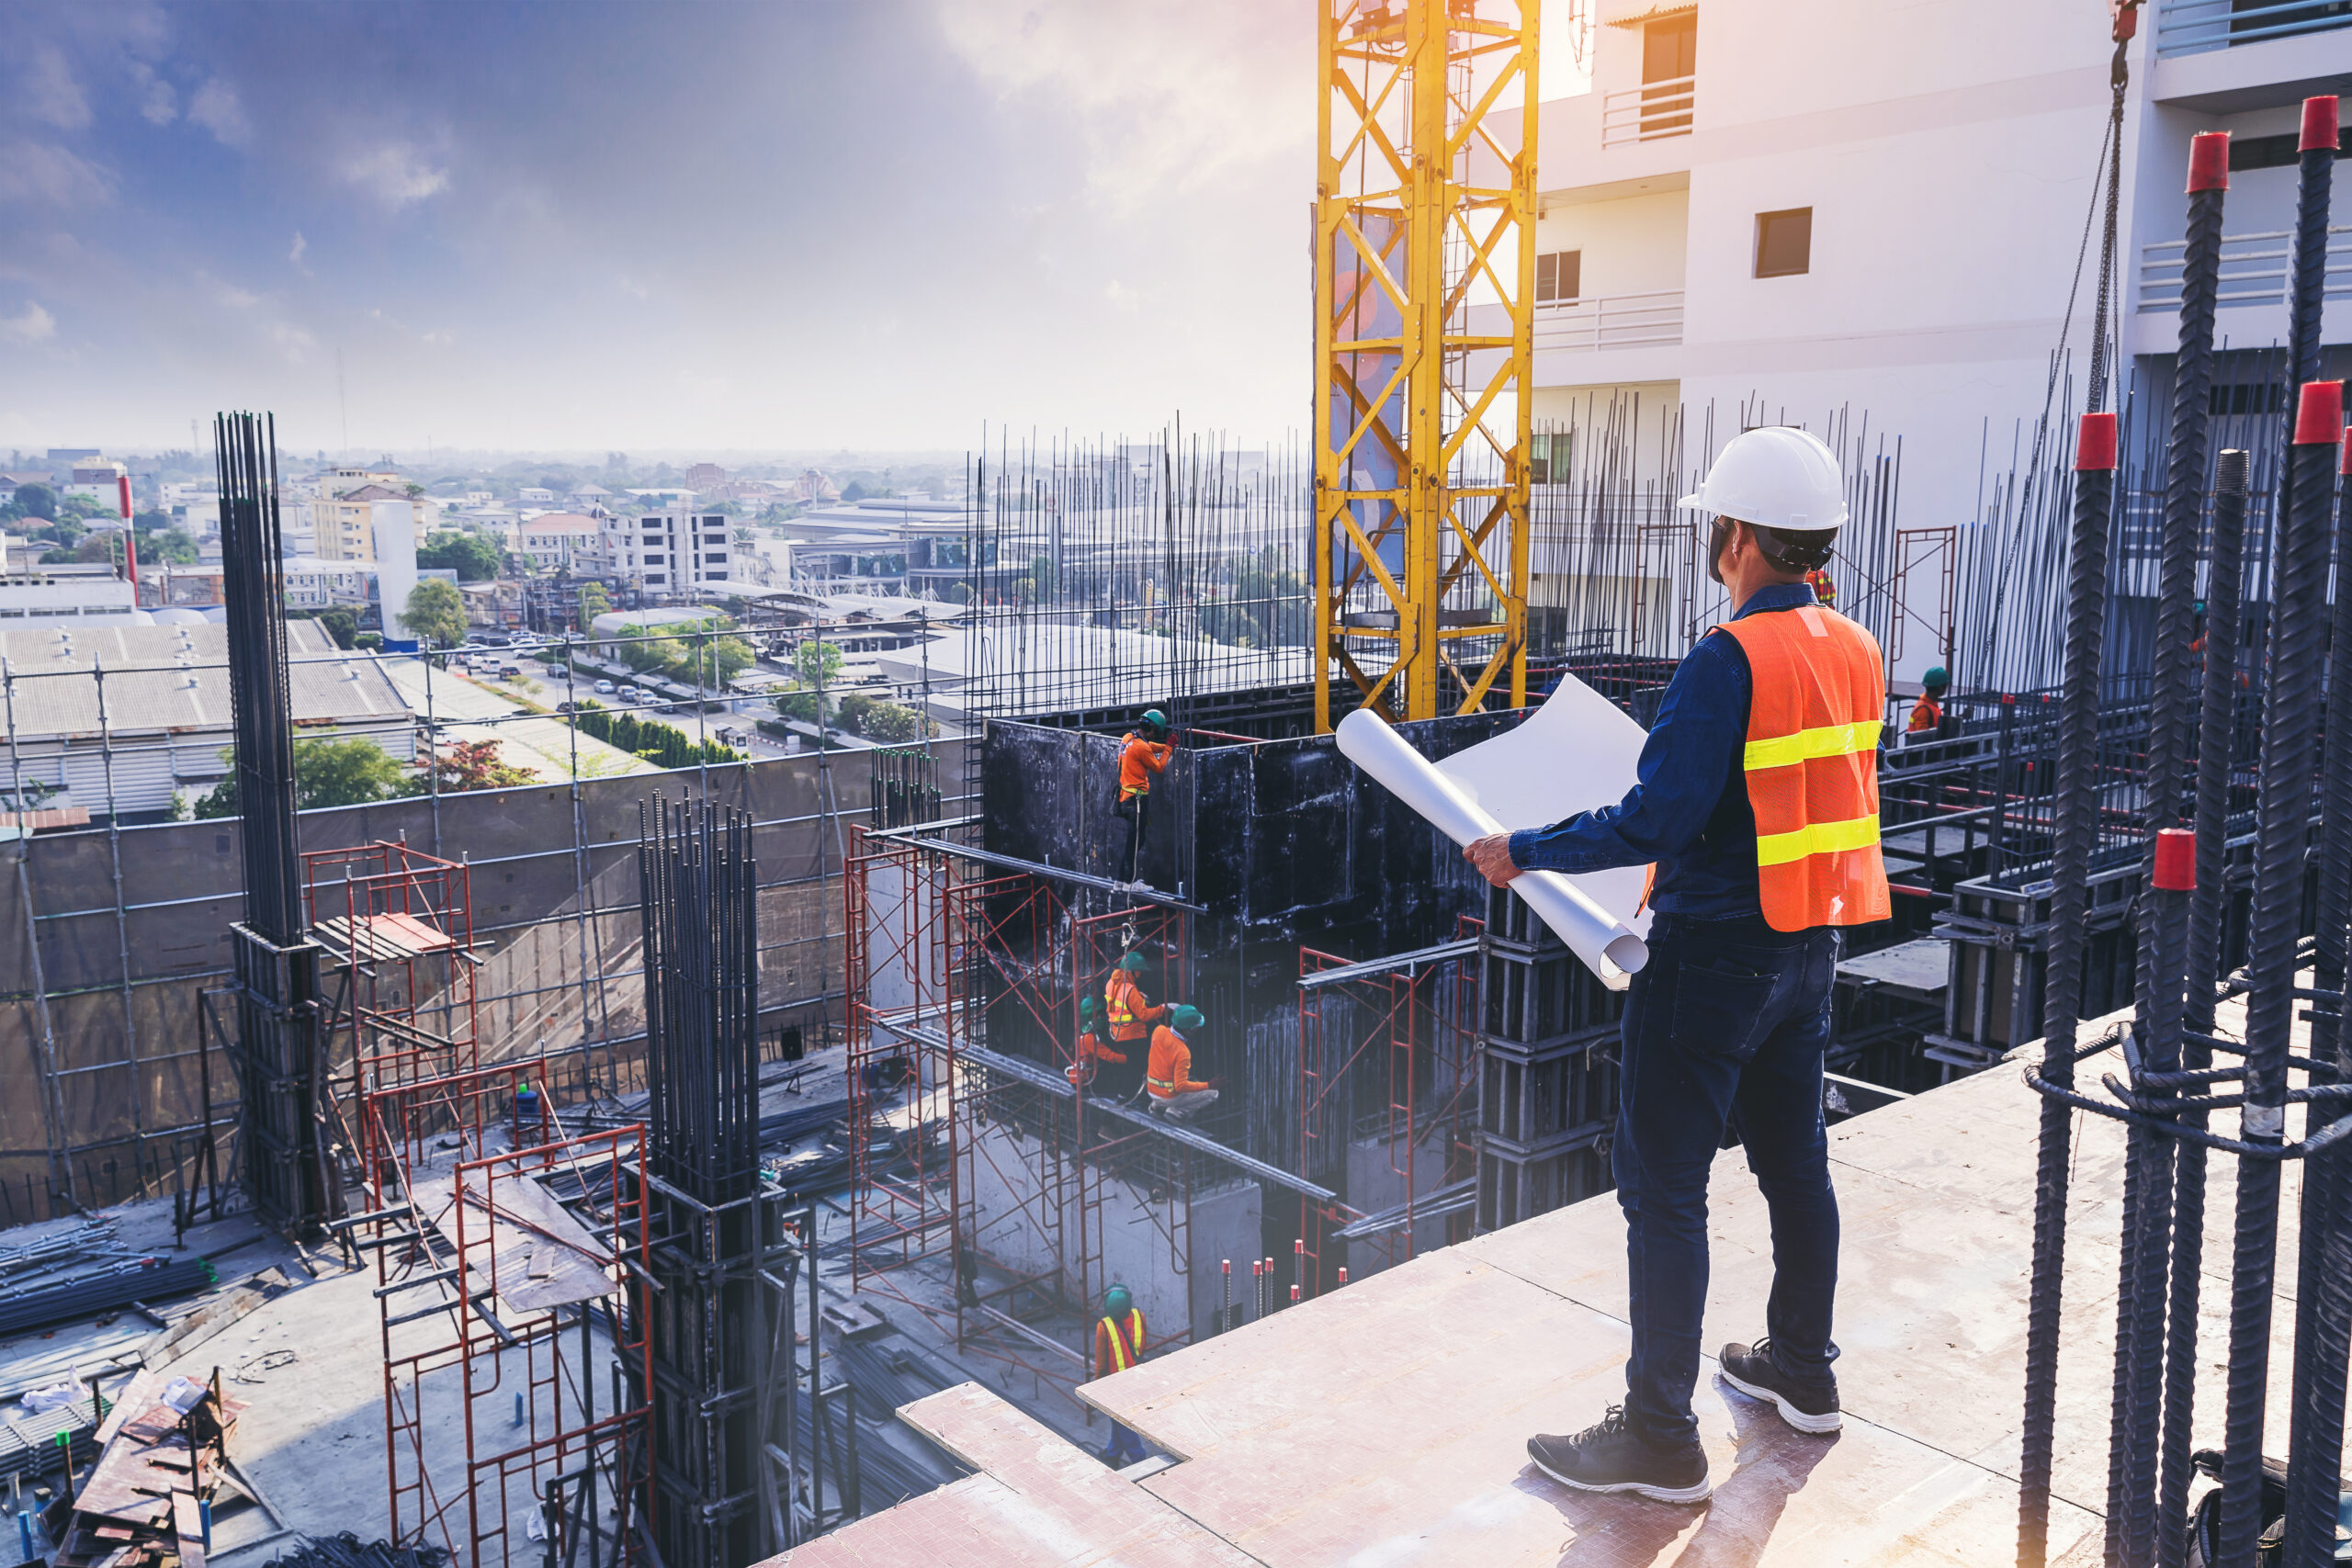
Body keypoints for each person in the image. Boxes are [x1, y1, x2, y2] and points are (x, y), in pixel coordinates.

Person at [1464, 424, 1888, 1505]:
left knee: (1662, 1191)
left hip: (1709, 959)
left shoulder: (1726, 656)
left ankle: (1658, 1436)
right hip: (1808, 949)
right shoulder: (1854, 646)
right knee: (1794, 1164)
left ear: (1737, 535)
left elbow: (1660, 814)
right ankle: (1801, 1368)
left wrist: (1527, 848)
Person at [1092, 1284, 1151, 1467]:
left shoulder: (1104, 1327)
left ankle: (1139, 1459)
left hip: (1115, 1384)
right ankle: (1113, 1453)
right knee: (1117, 1421)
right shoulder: (1138, 1317)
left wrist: (1096, 1388)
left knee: (1123, 1423)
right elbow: (1143, 1344)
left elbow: (1101, 1363)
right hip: (1136, 1377)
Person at [1114, 710, 1173, 884]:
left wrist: (1166, 747)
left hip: (1126, 797)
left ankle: (1120, 881)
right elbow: (1159, 767)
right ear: (1153, 729)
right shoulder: (1141, 748)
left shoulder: (1128, 738)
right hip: (1137, 801)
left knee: (1133, 840)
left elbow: (1148, 747)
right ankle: (1128, 882)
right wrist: (1169, 748)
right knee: (1135, 842)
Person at [1145, 1004, 1223, 1120]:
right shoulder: (1182, 1052)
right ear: (1190, 1030)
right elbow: (1181, 1086)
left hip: (1151, 1091)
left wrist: (1181, 1013)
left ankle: (1156, 1107)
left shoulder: (1158, 1031)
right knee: (1213, 1093)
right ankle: (1176, 1112)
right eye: (1196, 1027)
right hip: (1168, 1097)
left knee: (1188, 1079)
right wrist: (1209, 1085)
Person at [1103, 953, 1168, 1061]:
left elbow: (1121, 999)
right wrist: (1163, 1008)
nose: (1140, 973)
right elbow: (1144, 1015)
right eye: (1139, 971)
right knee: (1137, 1069)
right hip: (1133, 1035)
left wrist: (1139, 996)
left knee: (1129, 1069)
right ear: (1132, 971)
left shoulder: (1111, 982)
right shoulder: (1130, 990)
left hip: (1117, 1032)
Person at [1905, 666, 1951, 741]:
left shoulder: (1932, 704)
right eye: (1945, 685)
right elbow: (1922, 737)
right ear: (1940, 687)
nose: (1946, 688)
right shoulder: (1923, 709)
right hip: (1920, 752)